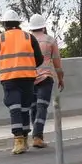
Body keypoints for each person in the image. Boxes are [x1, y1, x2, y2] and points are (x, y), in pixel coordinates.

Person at [0, 10, 44, 155]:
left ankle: (18, 139)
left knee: (15, 108)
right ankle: (24, 138)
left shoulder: (0, 39)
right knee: (25, 107)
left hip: (9, 78)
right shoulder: (28, 37)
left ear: (5, 24)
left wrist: (4, 68)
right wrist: (28, 66)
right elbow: (39, 58)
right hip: (27, 77)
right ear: (18, 23)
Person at [25, 14, 64, 148]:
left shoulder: (27, 40)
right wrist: (60, 79)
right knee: (42, 106)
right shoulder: (50, 41)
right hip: (45, 78)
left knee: (33, 107)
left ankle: (35, 135)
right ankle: (37, 136)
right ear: (43, 26)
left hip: (29, 79)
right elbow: (57, 63)